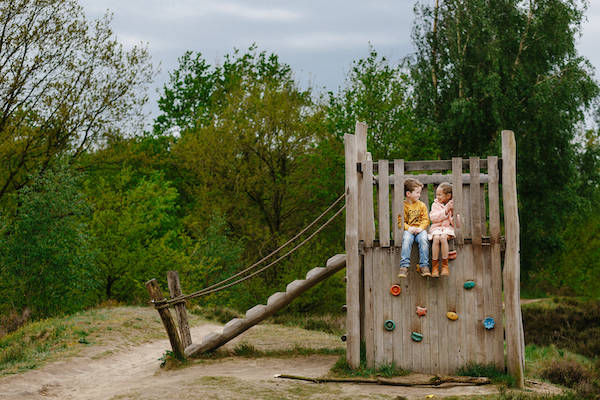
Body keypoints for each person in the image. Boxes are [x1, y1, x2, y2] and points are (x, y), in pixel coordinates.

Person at [397, 178, 430, 278]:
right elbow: (400, 222)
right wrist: (408, 228)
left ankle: (424, 266)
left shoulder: (422, 205)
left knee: (424, 239)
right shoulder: (403, 206)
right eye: (417, 192)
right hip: (409, 230)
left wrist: (421, 228)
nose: (419, 195)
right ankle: (404, 267)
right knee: (406, 240)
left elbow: (426, 220)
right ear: (408, 194)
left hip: (420, 230)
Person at [428, 182, 455, 277]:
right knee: (436, 238)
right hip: (437, 228)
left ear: (448, 195)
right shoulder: (435, 205)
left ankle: (445, 265)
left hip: (447, 228)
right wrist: (445, 211)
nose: (437, 197)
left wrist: (452, 213)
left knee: (443, 238)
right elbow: (433, 218)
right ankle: (434, 267)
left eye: (440, 195)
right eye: (437, 195)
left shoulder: (453, 205)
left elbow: (456, 223)